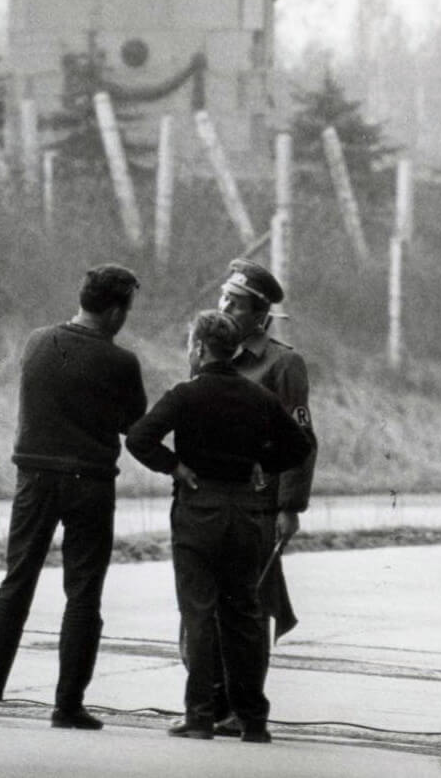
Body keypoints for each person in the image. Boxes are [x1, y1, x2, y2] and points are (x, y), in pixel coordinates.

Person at [0, 264, 147, 730]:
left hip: (34, 478)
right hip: (90, 483)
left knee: (16, 581)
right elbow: (134, 425)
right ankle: (67, 706)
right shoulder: (122, 362)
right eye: (125, 311)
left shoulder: (36, 341)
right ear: (114, 311)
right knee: (83, 593)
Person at [126, 309, 315, 743]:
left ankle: (200, 715)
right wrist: (262, 466)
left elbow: (139, 438)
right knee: (244, 615)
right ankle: (253, 720)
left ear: (197, 348)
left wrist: (174, 466)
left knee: (199, 612)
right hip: (247, 514)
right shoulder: (258, 397)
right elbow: (299, 444)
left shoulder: (184, 394)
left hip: (198, 510)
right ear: (232, 350)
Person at [208, 257, 316, 734]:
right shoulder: (210, 353)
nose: (224, 307)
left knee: (249, 607)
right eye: (223, 298)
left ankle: (242, 708)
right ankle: (210, 704)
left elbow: (302, 440)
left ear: (259, 315)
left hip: (258, 503)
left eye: (235, 303)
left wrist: (290, 507)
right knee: (207, 605)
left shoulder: (283, 363)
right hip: (212, 501)